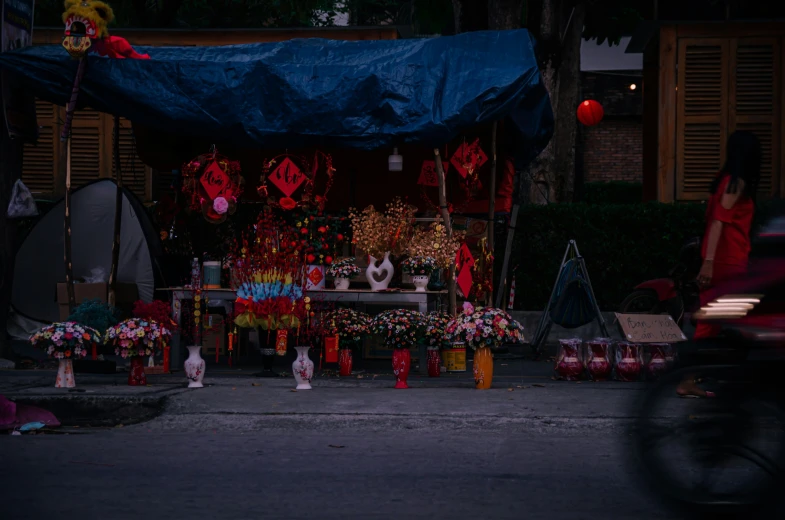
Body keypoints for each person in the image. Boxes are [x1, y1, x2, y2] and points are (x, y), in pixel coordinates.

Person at [676, 131, 762, 398]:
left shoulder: (725, 181)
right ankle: (751, 380)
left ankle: (691, 378)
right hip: (728, 262)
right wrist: (710, 263)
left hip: (724, 261)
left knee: (712, 323)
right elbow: (717, 223)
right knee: (750, 321)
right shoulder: (735, 184)